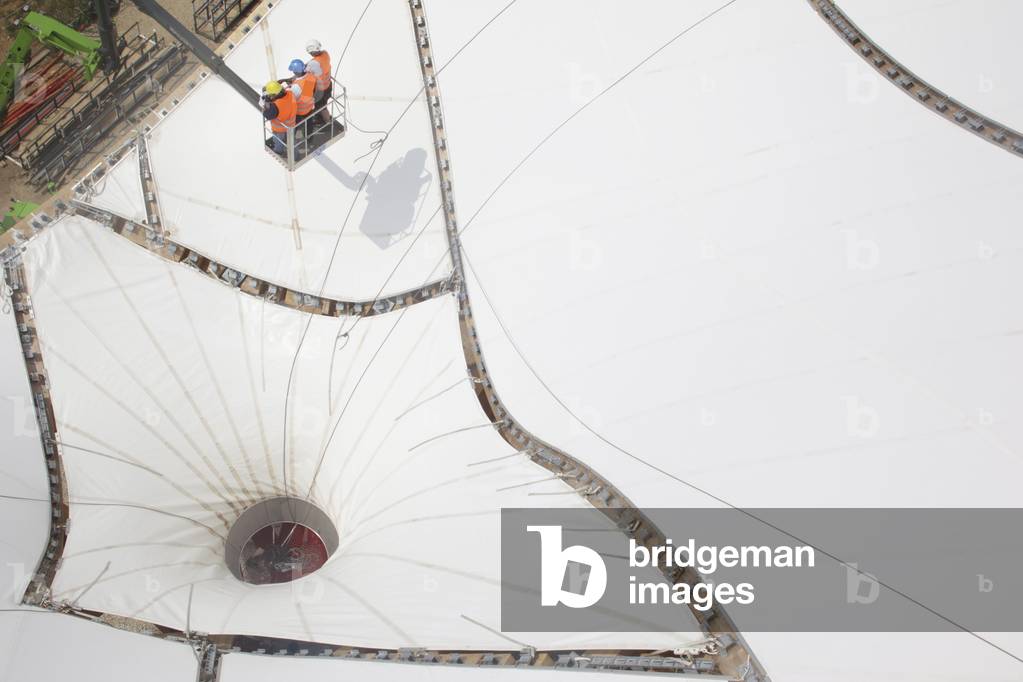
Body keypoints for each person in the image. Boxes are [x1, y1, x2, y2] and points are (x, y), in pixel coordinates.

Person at [261, 80, 297, 156]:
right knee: (292, 142)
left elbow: (267, 115)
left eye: (270, 94)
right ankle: (295, 155)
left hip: (280, 129)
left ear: (275, 94)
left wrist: (266, 104)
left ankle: (278, 151)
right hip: (292, 125)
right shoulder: (290, 94)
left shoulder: (276, 106)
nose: (269, 96)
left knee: (278, 141)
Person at [283, 58, 317, 124]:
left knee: (295, 125)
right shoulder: (310, 76)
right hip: (309, 106)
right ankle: (310, 132)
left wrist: (286, 89)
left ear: (295, 72)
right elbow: (306, 92)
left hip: (300, 110)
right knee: (309, 123)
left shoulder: (296, 86)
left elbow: (291, 99)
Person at [306, 39, 332, 123]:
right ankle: (320, 117)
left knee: (321, 106)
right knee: (321, 105)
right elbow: (316, 62)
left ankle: (327, 122)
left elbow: (306, 72)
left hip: (321, 90)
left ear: (312, 52)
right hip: (328, 85)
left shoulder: (314, 63)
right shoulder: (325, 53)